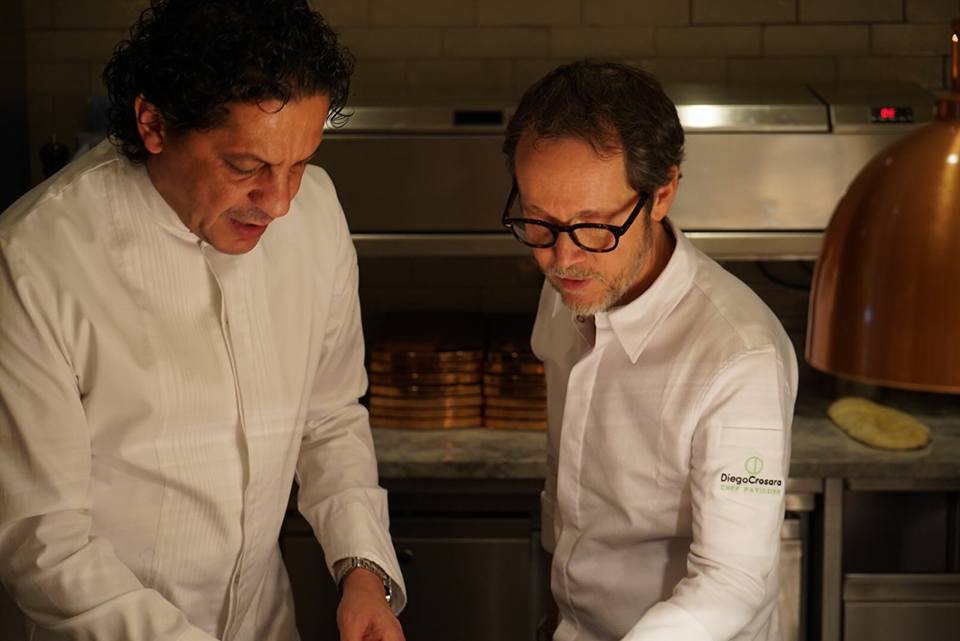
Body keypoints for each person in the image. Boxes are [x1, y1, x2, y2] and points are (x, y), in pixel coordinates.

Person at [0, 2, 406, 640]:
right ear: (154, 124)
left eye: (299, 163)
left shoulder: (318, 214)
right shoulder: (35, 258)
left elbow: (329, 416)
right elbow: (44, 542)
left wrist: (363, 571)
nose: (280, 202)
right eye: (246, 167)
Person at [501, 60, 798, 641]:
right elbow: (569, 480)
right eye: (538, 223)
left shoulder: (740, 359)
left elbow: (731, 582)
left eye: (593, 226)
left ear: (662, 194)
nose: (563, 260)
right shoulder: (569, 286)